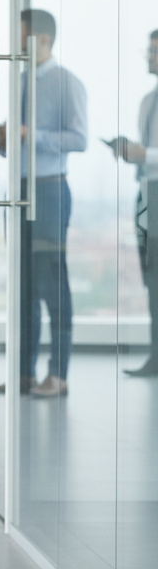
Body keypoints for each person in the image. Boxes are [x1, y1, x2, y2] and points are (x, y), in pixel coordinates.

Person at [0, 9, 87, 397]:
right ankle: (23, 374)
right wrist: (2, 140)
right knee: (23, 289)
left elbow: (78, 139)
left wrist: (33, 134)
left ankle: (58, 375)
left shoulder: (67, 83)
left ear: (42, 40)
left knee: (53, 285)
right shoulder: (18, 81)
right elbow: (16, 141)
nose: (15, 45)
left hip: (49, 190)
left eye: (21, 38)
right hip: (19, 190)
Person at [111, 29, 158, 376]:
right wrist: (131, 153)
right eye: (149, 51)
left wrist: (147, 154)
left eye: (154, 52)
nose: (149, 57)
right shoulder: (148, 101)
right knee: (152, 278)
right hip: (146, 194)